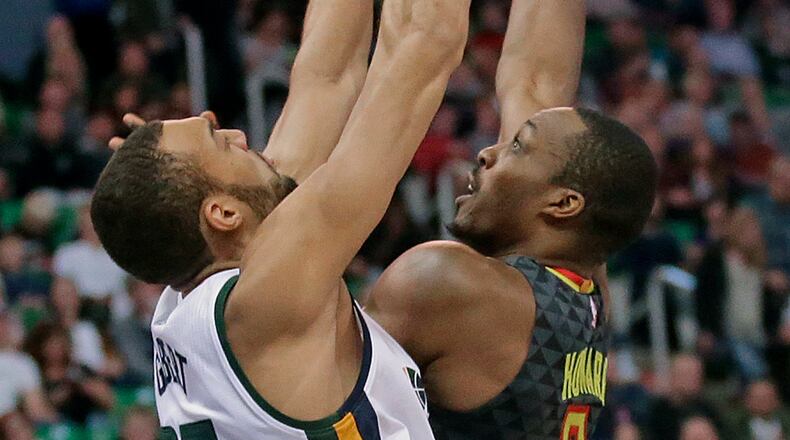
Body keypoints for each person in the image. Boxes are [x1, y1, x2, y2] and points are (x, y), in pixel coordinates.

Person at [90, 0, 471, 438]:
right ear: (223, 214)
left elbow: (327, 78)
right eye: (219, 142)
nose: (238, 135)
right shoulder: (268, 297)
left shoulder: (206, 287)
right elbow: (426, 44)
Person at [366, 1, 658, 438]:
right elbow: (537, 87)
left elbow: (302, 398)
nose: (487, 153)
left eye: (517, 146)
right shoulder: (588, 286)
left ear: (564, 204)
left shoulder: (448, 282)